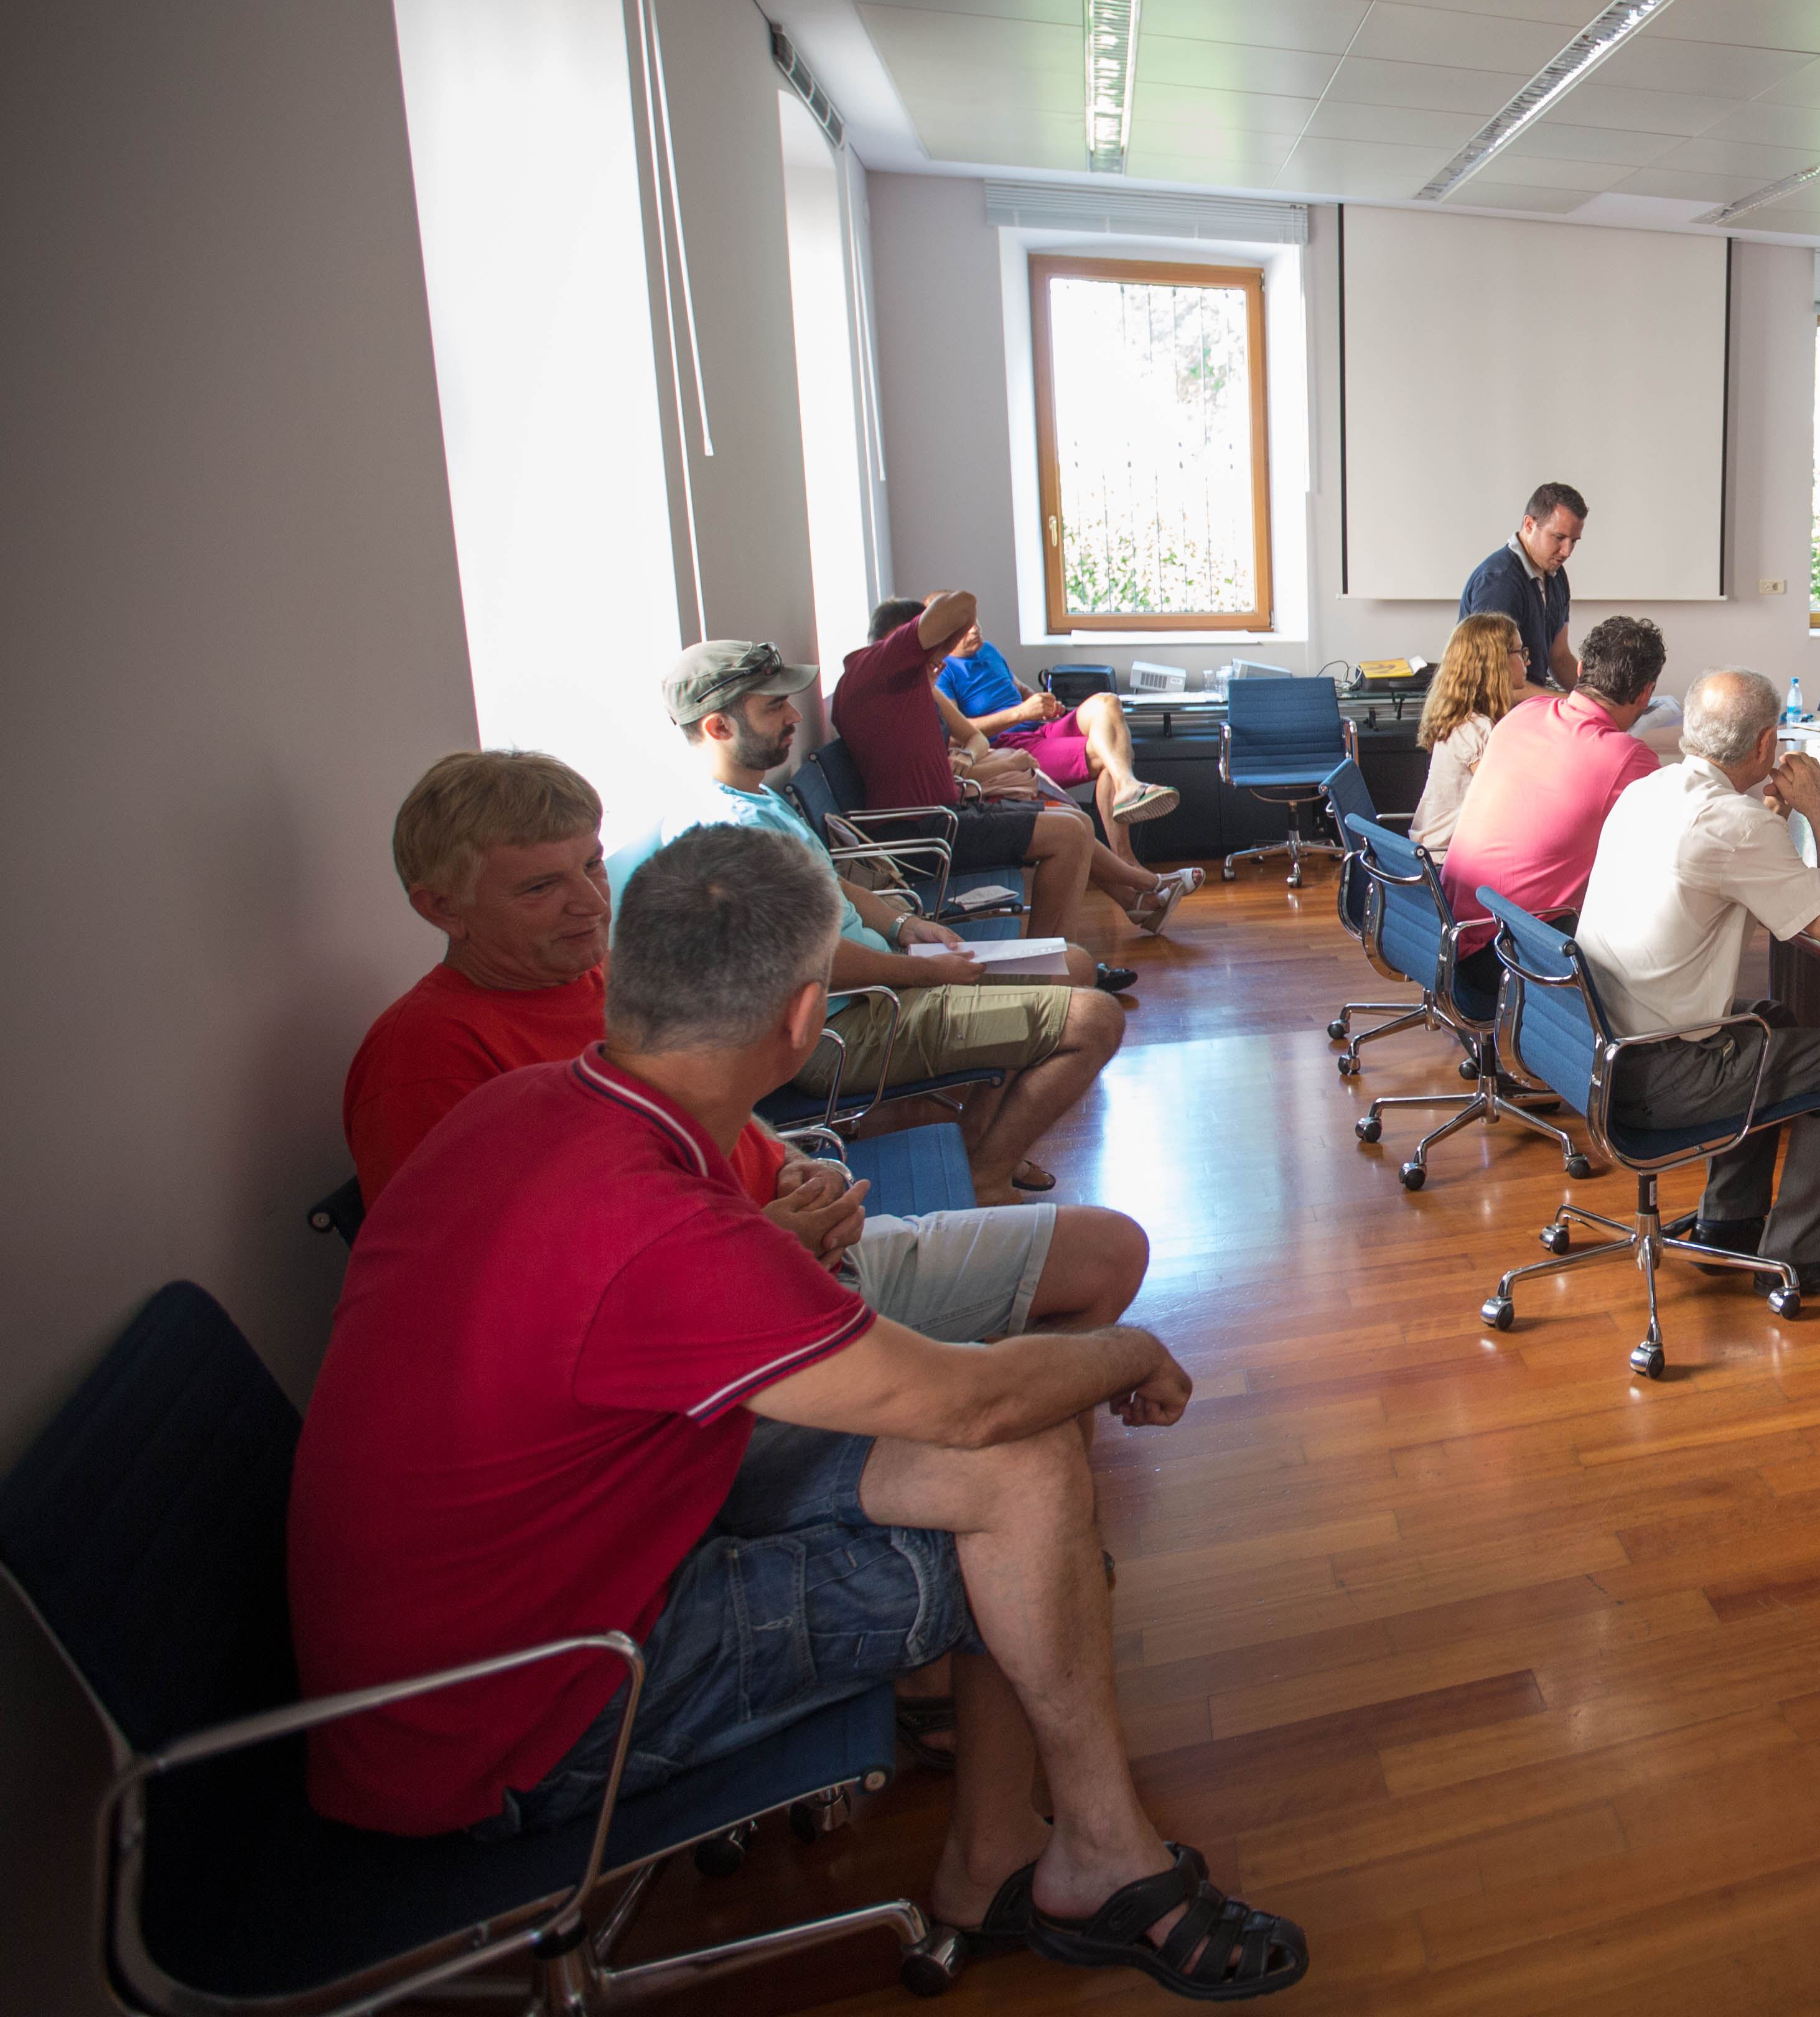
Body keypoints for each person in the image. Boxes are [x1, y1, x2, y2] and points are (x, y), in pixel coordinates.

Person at [290, 827, 1308, 1998]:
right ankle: (1089, 1860)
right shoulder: (656, 1230)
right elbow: (967, 1403)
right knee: (1022, 1515)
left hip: (522, 1590)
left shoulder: (530, 1105)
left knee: (1028, 1468)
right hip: (521, 1718)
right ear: (804, 1017)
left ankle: (1036, 1854)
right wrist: (1131, 1347)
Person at [347, 748, 1146, 1338]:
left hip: (788, 1246)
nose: (590, 903)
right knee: (1025, 1423)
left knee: (1108, 1252)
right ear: (441, 908)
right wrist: (757, 1243)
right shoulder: (428, 1058)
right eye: (539, 888)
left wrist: (790, 1164)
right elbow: (485, 1298)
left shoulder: (600, 980)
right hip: (710, 1317)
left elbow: (701, 1119)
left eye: (590, 866)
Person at [618, 641, 1125, 1206]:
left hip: (883, 979)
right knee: (1095, 1020)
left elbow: (833, 882)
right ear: (718, 726)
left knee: (1068, 963)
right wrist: (925, 972)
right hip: (846, 1024)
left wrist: (905, 926)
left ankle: (978, 1142)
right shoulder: (730, 831)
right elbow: (815, 964)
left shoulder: (755, 798)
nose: (793, 716)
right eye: (774, 707)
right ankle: (987, 1172)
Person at [1575, 669, 1820, 1297]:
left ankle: (1730, 1221)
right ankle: (1802, 1257)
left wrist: (1772, 816)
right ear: (1766, 743)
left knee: (1773, 1019)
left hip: (1596, 1045)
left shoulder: (1648, 789)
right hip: (1656, 1074)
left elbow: (1722, 857)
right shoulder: (1736, 826)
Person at [842, 595, 1195, 938]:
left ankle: (1140, 893)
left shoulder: (909, 687)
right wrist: (1005, 755)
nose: (941, 662)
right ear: (898, 641)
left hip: (949, 813)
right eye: (933, 651)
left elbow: (960, 747)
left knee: (1076, 820)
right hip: (925, 832)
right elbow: (963, 603)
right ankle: (1069, 950)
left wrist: (971, 756)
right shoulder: (876, 669)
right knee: (1068, 833)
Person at [1440, 613, 1664, 953]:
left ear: (1581, 669)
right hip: (1510, 952)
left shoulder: (1523, 713)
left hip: (1448, 929)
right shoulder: (1629, 758)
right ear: (1646, 694)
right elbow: (1670, 844)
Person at [930, 624, 1181, 858]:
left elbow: (1020, 690)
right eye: (964, 628)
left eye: (974, 621)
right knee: (1110, 755)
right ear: (944, 636)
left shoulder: (988, 650)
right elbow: (958, 734)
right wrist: (1022, 713)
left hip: (1039, 730)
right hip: (1009, 748)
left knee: (1107, 702)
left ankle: (1127, 787)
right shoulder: (943, 673)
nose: (974, 629)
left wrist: (1043, 704)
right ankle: (1127, 857)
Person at [1410, 612, 1534, 852]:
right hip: (1445, 860)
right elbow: (1506, 803)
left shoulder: (1466, 721)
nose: (1526, 662)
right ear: (1495, 663)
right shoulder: (1473, 729)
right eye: (1520, 653)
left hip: (1443, 852)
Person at [1459, 482, 1585, 692]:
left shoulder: (1556, 574)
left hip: (1530, 701)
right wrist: (1572, 704)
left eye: (1574, 541)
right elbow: (1497, 682)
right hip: (1498, 708)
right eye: (1559, 538)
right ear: (1529, 525)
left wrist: (1597, 700)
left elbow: (1560, 656)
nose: (1567, 551)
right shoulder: (1500, 582)